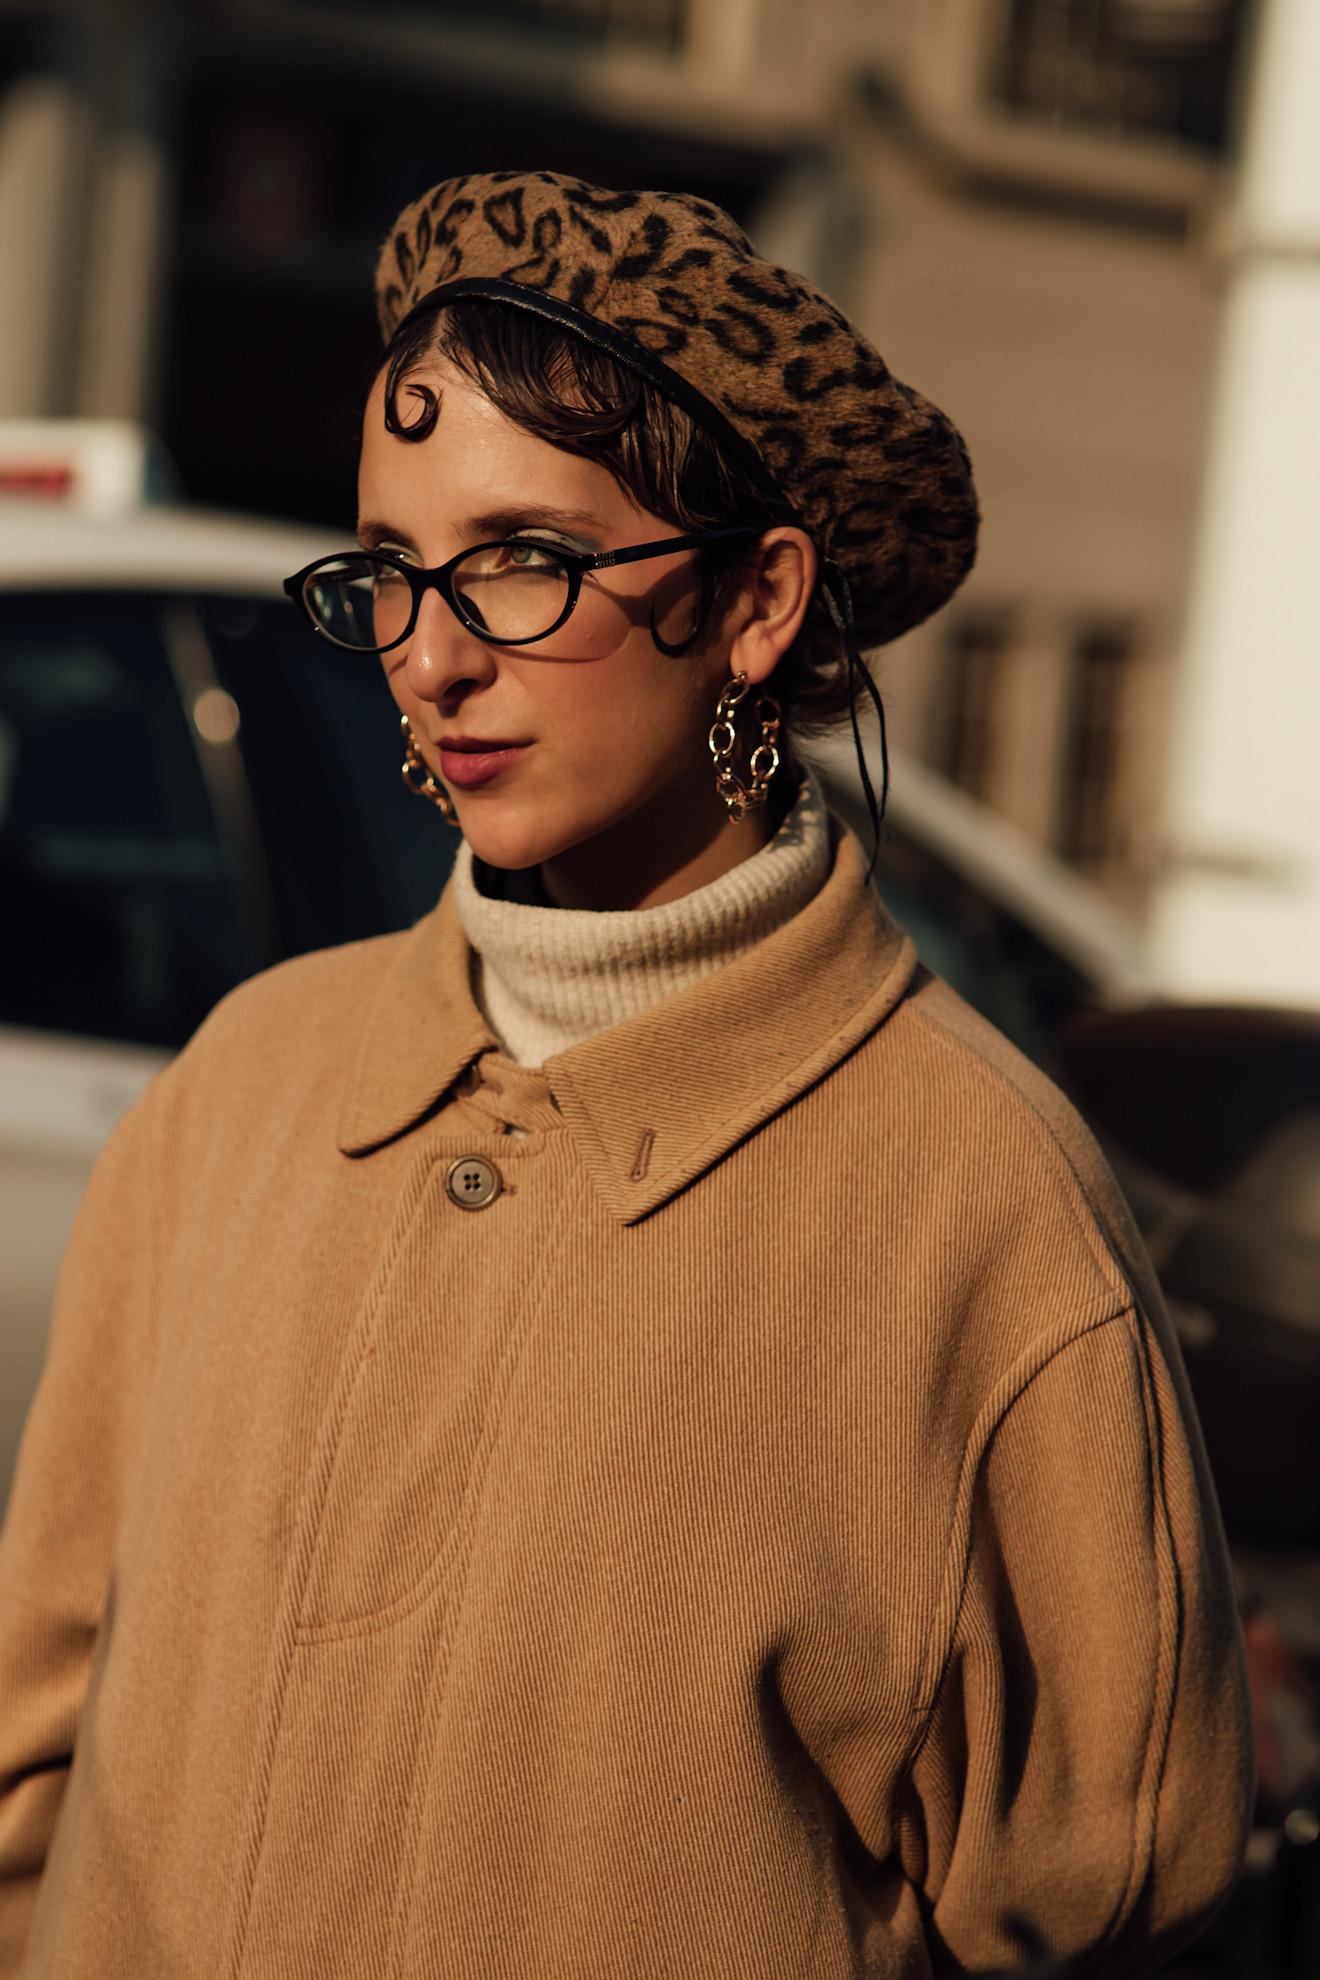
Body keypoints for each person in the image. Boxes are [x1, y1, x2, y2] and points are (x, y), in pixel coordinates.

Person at [0, 171, 1251, 1978]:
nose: (429, 658)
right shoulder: (243, 1092)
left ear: (755, 603)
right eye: (393, 571)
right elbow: (37, 1758)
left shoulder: (989, 1219)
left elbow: (1115, 1909)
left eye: (520, 559)